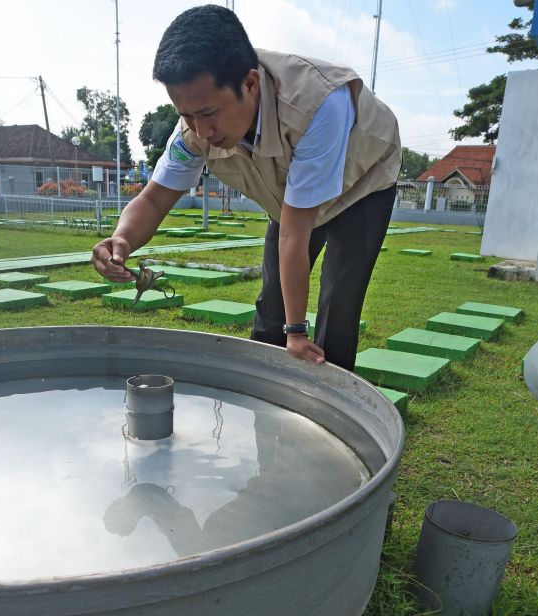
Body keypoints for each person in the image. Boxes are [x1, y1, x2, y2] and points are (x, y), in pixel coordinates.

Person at [91, 4, 400, 370]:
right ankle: (260, 408)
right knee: (272, 305)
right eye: (186, 114)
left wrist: (298, 331)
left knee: (339, 305)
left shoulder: (318, 104)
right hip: (288, 196)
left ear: (250, 84)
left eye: (207, 113)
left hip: (363, 184)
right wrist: (122, 239)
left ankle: (327, 416)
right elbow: (155, 199)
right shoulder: (192, 130)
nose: (200, 129)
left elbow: (293, 237)